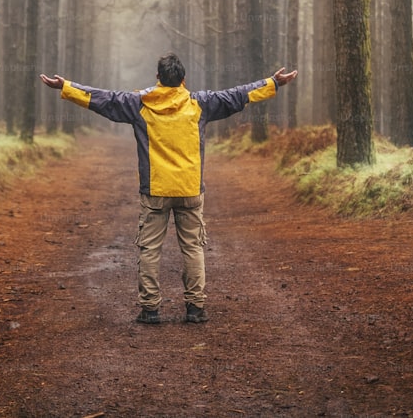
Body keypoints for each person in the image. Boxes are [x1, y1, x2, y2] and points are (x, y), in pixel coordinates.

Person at [39, 53, 298, 324]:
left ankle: (150, 310)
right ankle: (195, 309)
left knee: (150, 249)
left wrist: (66, 87)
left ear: (158, 79)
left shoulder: (139, 103)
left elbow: (104, 99)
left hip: (155, 191)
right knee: (193, 248)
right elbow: (237, 96)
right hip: (189, 190)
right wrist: (273, 83)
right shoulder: (201, 103)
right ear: (183, 80)